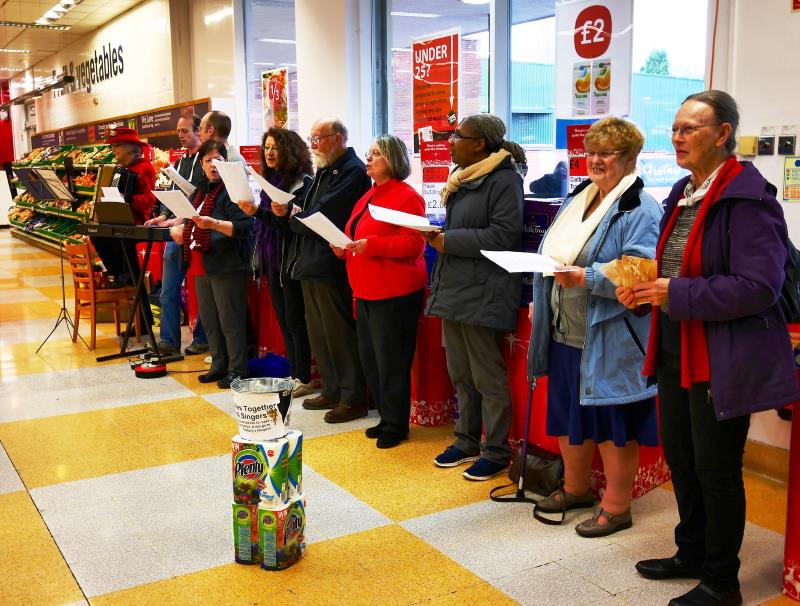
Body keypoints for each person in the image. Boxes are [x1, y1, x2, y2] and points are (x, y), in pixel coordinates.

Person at [618, 90, 800, 606]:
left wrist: (675, 293)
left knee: (716, 468)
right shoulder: (683, 190)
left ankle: (722, 581)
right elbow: (675, 268)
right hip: (677, 348)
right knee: (683, 458)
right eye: (674, 128)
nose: (677, 137)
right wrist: (644, 289)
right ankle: (691, 552)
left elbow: (758, 286)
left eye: (690, 128)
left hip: (721, 355)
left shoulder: (749, 198)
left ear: (723, 135)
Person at [527, 117, 662, 537]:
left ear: (630, 158)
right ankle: (576, 488)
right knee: (569, 421)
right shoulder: (578, 197)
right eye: (592, 152)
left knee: (612, 429)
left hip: (609, 336)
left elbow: (642, 269)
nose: (597, 161)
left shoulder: (640, 207)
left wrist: (589, 278)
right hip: (566, 330)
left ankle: (617, 507)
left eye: (608, 153)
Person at [426, 113, 523, 481]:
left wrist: (448, 241)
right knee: (461, 373)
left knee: (487, 376)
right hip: (455, 287)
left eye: (458, 135)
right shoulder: (463, 179)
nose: (450, 140)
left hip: (486, 291)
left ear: (480, 143)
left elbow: (503, 236)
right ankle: (466, 440)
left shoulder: (504, 180)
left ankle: (496, 451)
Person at [331, 134, 427, 448]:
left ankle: (397, 425)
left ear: (394, 160)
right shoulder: (369, 195)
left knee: (392, 362)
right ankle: (386, 417)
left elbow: (414, 243)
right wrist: (343, 246)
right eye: (369, 153)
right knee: (371, 360)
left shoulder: (406, 196)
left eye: (376, 154)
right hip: (367, 290)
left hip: (395, 292)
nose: (368, 159)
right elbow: (355, 232)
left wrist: (371, 246)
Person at [274, 118, 371, 423]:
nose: (314, 144)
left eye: (320, 138)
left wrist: (296, 218)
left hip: (330, 263)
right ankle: (331, 388)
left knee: (338, 333)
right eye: (311, 138)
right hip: (309, 261)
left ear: (340, 137)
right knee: (319, 332)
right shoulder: (324, 169)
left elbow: (327, 212)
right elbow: (305, 206)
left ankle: (353, 397)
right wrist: (287, 210)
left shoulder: (353, 170)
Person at [235, 128, 315, 397]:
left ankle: (303, 376)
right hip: (273, 260)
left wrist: (258, 212)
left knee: (295, 322)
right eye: (266, 147)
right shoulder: (272, 180)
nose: (269, 152)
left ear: (289, 151)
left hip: (291, 261)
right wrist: (257, 211)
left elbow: (290, 225)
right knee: (285, 321)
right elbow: (271, 220)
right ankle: (294, 373)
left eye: (275, 148)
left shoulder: (302, 183)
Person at [169, 140, 253, 389]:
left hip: (227, 264)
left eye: (218, 160)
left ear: (226, 163)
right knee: (210, 320)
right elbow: (193, 221)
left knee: (231, 321)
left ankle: (238, 370)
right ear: (202, 164)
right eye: (207, 160)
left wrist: (213, 224)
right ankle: (219, 364)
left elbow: (246, 227)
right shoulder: (200, 190)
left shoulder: (234, 190)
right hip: (201, 262)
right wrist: (182, 228)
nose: (213, 165)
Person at [145, 113, 208, 356]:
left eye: (185, 131)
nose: (180, 135)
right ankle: (169, 340)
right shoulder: (180, 162)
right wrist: (162, 216)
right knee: (168, 289)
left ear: (199, 132)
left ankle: (202, 338)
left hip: (199, 232)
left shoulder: (206, 162)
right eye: (178, 131)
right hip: (176, 234)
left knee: (204, 291)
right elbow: (172, 195)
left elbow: (202, 198)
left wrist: (182, 218)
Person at [90, 127, 157, 334]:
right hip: (120, 224)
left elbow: (151, 199)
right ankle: (119, 273)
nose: (114, 149)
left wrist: (128, 199)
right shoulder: (120, 169)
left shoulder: (144, 168)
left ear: (130, 147)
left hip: (135, 226)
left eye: (117, 145)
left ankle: (143, 322)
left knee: (136, 278)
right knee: (97, 235)